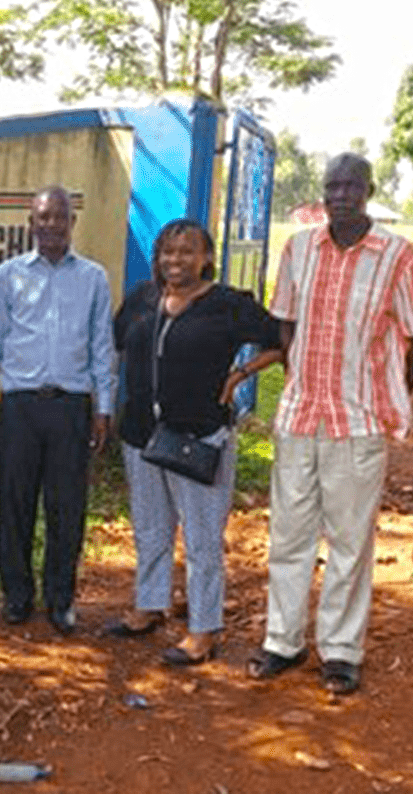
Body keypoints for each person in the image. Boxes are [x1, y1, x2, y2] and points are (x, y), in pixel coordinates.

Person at [248, 153, 413, 694]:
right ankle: (283, 640)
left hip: (358, 420)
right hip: (300, 415)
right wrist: (298, 375)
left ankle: (341, 651)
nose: (341, 194)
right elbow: (285, 323)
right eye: (333, 185)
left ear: (369, 191)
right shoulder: (299, 248)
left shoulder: (396, 255)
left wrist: (387, 392)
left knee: (350, 540)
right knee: (288, 535)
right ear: (322, 193)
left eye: (352, 185)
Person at [109, 219, 282, 664]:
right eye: (168, 251)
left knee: (203, 537)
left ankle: (204, 629)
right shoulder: (142, 299)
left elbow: (281, 342)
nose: (176, 260)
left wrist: (240, 375)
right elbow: (117, 345)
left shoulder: (228, 304)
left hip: (200, 436)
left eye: (187, 251)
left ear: (206, 257)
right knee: (150, 527)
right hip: (141, 436)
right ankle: (149, 605)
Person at [0, 185, 116, 636]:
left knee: (66, 508)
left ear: (72, 223)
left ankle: (60, 599)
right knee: (14, 505)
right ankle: (17, 596)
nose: (51, 224)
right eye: (43, 217)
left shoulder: (93, 278)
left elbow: (101, 347)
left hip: (70, 407)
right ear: (30, 224)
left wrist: (103, 408)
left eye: (59, 217)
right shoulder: (9, 275)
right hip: (19, 407)